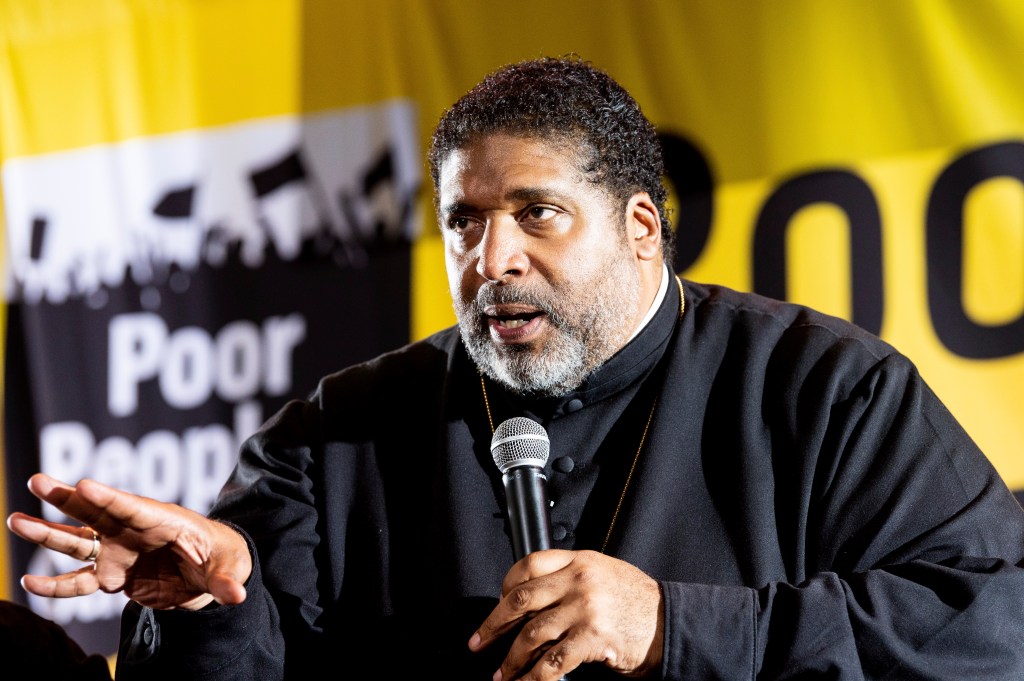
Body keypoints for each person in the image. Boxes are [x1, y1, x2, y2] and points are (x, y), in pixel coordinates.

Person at [7, 55, 1024, 681]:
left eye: (535, 214)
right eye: (463, 222)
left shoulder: (822, 388)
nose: (489, 261)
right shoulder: (335, 437)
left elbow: (992, 628)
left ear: (639, 229)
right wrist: (202, 615)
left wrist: (678, 627)